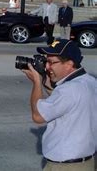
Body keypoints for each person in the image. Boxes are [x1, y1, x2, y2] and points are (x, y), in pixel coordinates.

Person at [21, 39, 96, 170]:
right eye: (46, 61)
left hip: (65, 166)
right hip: (83, 163)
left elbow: (38, 116)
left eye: (51, 62)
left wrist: (37, 82)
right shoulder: (89, 81)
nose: (47, 67)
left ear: (69, 64)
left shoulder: (68, 90)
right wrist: (48, 86)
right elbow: (65, 105)